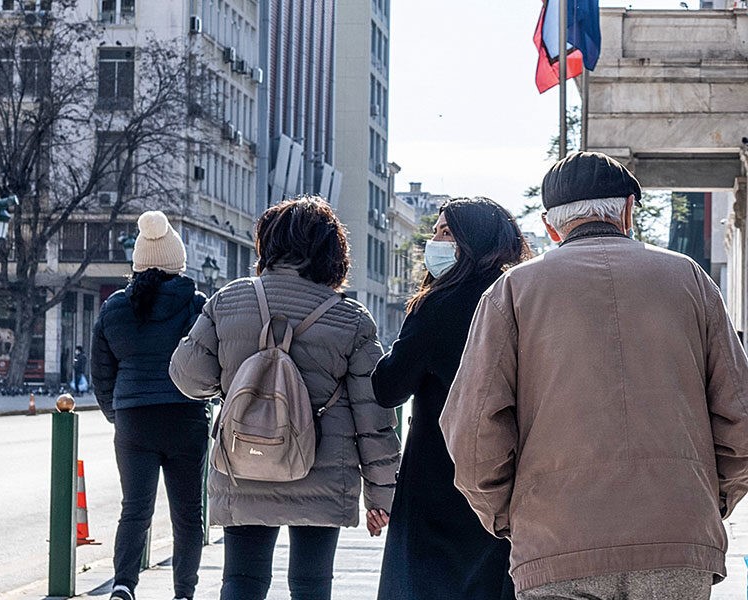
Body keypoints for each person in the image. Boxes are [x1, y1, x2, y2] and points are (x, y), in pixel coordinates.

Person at [440, 151, 748, 599]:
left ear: (550, 225)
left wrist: (508, 516)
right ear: (627, 210)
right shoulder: (690, 280)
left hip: (555, 541)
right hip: (676, 538)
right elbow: (740, 417)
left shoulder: (512, 292)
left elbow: (472, 434)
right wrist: (707, 501)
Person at [169, 196, 401, 600]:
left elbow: (187, 376)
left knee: (242, 580)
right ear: (332, 252)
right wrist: (381, 494)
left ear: (267, 245)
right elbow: (373, 416)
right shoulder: (351, 319)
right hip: (323, 472)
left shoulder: (228, 301)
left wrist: (234, 385)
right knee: (312, 585)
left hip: (245, 463)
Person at [372, 198, 529, 600]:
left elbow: (389, 387)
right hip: (507, 474)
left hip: (437, 473)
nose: (435, 240)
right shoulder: (522, 297)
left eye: (446, 232)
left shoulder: (440, 304)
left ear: (471, 241)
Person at [90, 210, 207, 600]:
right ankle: (183, 593)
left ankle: (124, 584)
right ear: (177, 262)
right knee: (188, 514)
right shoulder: (195, 305)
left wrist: (117, 413)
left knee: (135, 509)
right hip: (185, 416)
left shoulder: (114, 309)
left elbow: (101, 373)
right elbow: (211, 360)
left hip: (134, 420)